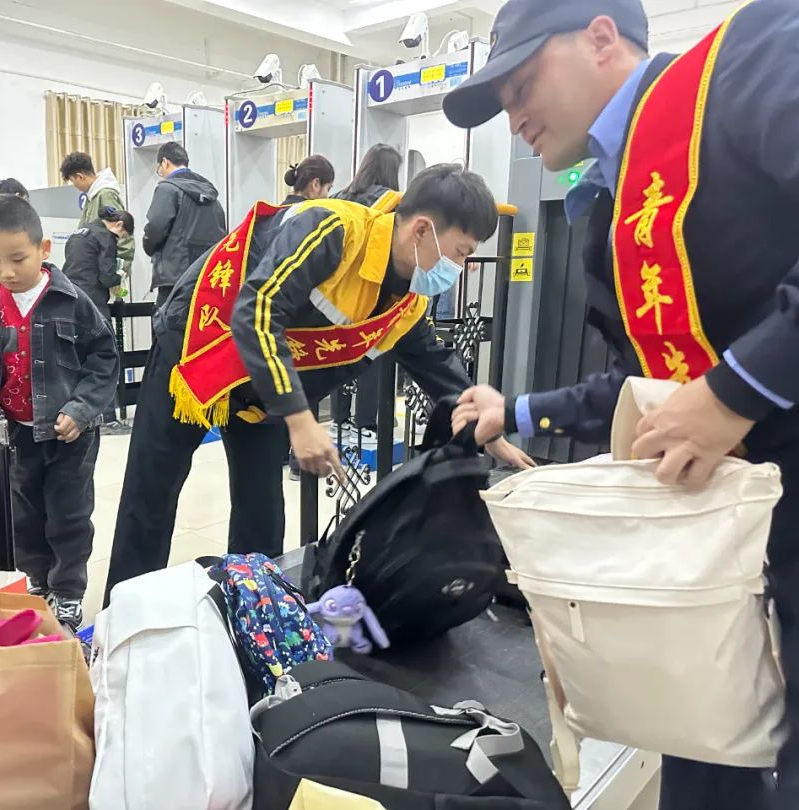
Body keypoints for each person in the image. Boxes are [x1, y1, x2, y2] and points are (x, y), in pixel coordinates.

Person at [444, 1, 799, 808]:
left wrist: (737, 391)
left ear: (602, 36)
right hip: (718, 551)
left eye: (521, 83)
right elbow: (656, 386)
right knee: (704, 751)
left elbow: (708, 393)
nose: (514, 116)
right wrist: (518, 411)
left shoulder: (751, 60)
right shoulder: (610, 215)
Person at [105, 164, 533, 603]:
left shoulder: (405, 299)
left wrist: (487, 428)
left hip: (266, 383)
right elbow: (257, 310)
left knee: (262, 518)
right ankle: (120, 621)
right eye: (460, 252)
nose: (459, 267)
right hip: (199, 347)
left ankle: (255, 619)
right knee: (151, 496)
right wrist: (300, 419)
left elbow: (434, 363)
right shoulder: (334, 231)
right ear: (422, 230)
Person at [0, 195, 119, 632]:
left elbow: (104, 358)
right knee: (21, 515)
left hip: (69, 436)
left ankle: (68, 591)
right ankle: (36, 581)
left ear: (43, 249)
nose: (6, 272)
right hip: (9, 435)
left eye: (17, 259)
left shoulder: (73, 301)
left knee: (68, 515)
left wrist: (82, 408)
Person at [330, 145, 405, 435]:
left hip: (337, 293)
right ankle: (366, 423)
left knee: (337, 351)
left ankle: (339, 419)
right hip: (374, 290)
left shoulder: (339, 197)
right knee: (373, 355)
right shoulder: (393, 202)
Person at [62, 206, 134, 431]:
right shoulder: (106, 237)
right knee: (104, 358)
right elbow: (106, 276)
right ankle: (108, 418)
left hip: (70, 301)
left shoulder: (79, 233)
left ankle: (81, 415)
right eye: (123, 236)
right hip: (93, 304)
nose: (119, 239)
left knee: (78, 360)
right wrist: (120, 275)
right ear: (119, 225)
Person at [143, 141, 227, 308]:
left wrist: (149, 246)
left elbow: (156, 227)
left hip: (174, 278)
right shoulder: (211, 195)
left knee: (168, 322)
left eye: (159, 169)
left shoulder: (167, 189)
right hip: (205, 276)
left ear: (165, 162)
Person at [60, 152, 135, 280]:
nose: (74, 185)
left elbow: (123, 234)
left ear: (80, 177)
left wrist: (119, 272)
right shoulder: (92, 196)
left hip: (104, 274)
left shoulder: (105, 195)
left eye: (72, 181)